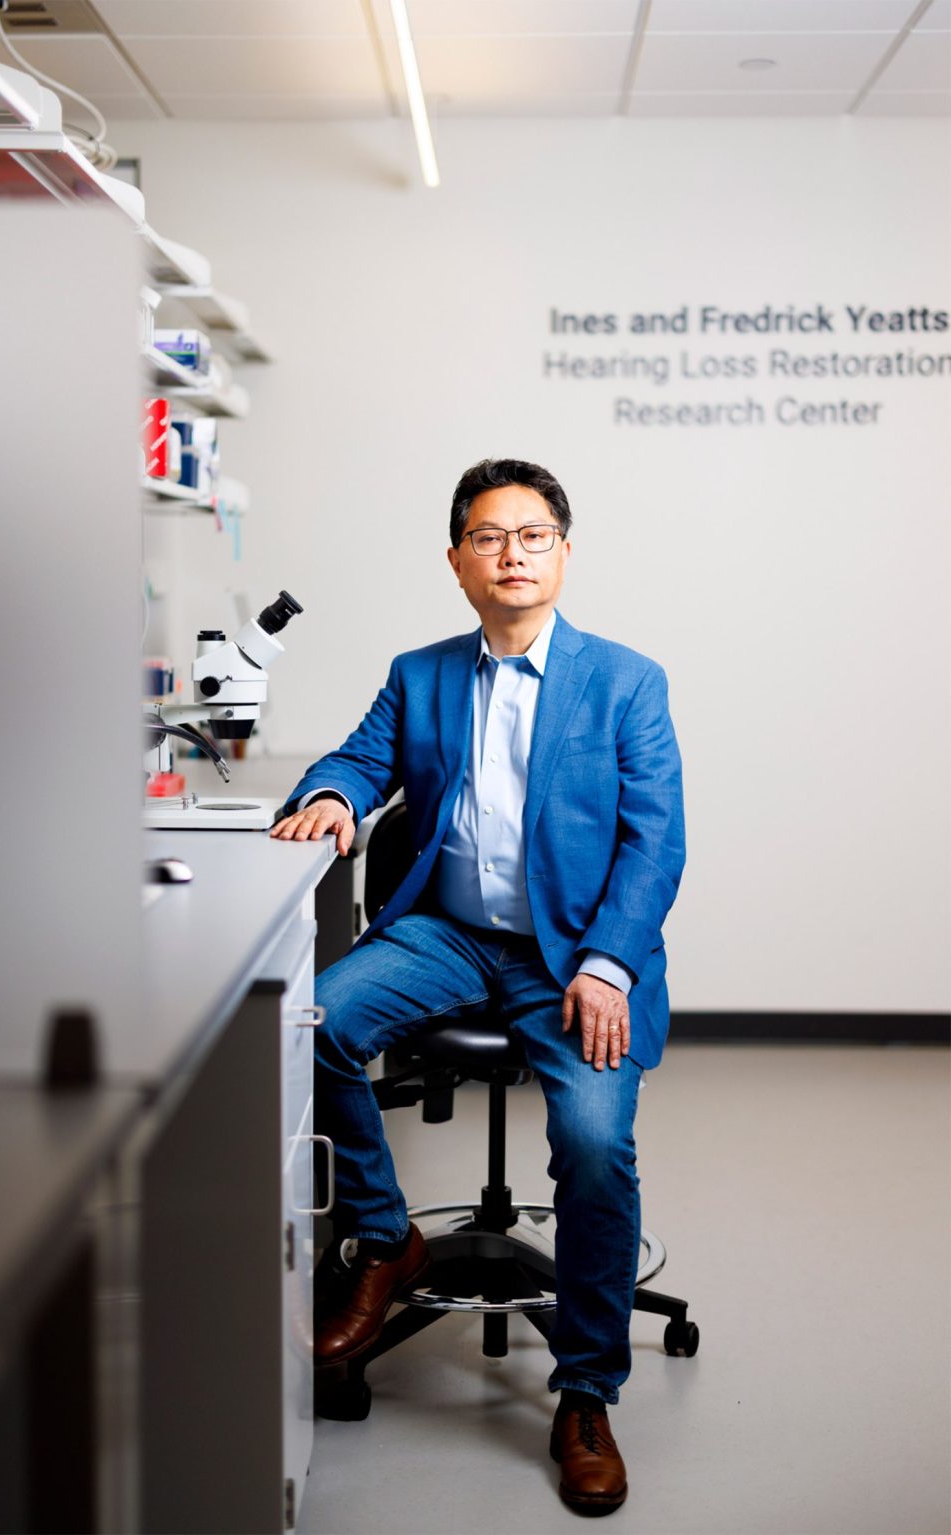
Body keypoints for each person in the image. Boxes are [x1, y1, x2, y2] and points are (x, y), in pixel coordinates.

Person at [270, 458, 685, 1516]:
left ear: (564, 553)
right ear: (457, 561)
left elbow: (655, 845)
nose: (512, 554)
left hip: (573, 955)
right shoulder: (422, 674)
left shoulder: (626, 680)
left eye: (533, 534)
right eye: (489, 537)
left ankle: (586, 1392)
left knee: (593, 1142)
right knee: (310, 1021)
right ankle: (385, 1236)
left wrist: (607, 964)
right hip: (448, 934)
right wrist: (333, 795)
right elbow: (358, 759)